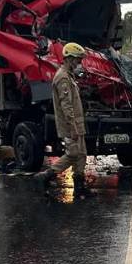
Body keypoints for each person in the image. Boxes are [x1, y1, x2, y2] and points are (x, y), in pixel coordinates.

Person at [34, 42, 92, 196]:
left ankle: (79, 187)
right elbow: (66, 107)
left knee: (81, 154)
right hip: (70, 124)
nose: (79, 63)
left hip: (77, 123)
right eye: (78, 60)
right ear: (69, 59)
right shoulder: (63, 78)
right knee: (73, 154)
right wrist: (73, 127)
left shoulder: (69, 76)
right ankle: (46, 175)